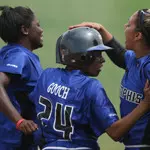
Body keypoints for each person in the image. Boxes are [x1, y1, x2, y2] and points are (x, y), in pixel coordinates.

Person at [29, 27, 150, 150]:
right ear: (83, 56)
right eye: (97, 55)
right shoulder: (90, 86)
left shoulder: (47, 76)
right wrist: (145, 104)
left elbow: (32, 106)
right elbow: (116, 132)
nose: (102, 60)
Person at [69, 9, 150, 150]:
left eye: (129, 25)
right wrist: (101, 30)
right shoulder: (135, 59)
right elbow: (120, 55)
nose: (125, 27)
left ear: (137, 35)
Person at [0, 6, 43, 150]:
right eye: (37, 25)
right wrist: (19, 121)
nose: (41, 30)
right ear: (25, 30)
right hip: (12, 142)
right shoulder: (19, 56)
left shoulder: (9, 53)